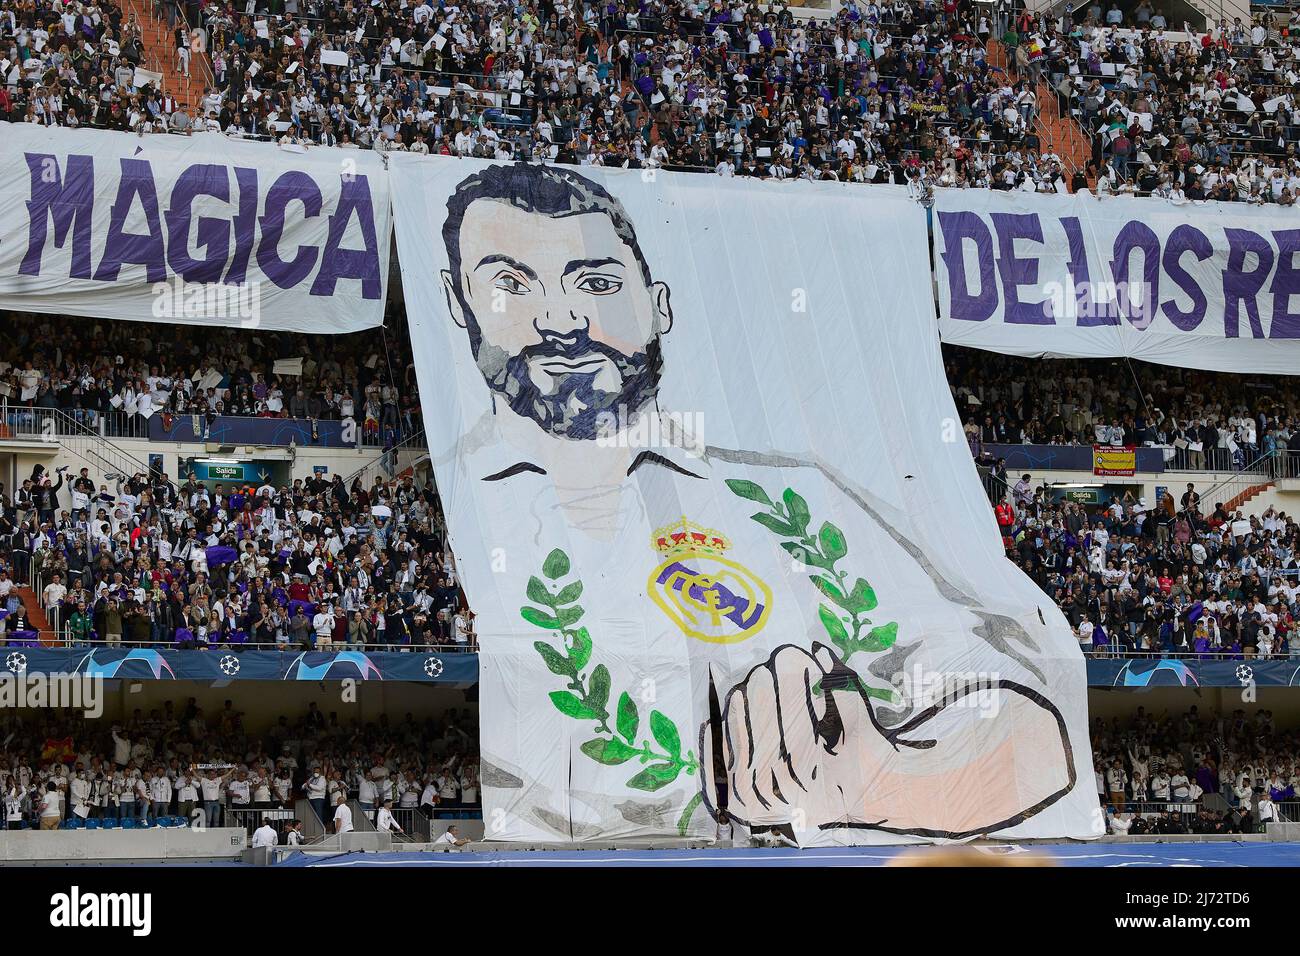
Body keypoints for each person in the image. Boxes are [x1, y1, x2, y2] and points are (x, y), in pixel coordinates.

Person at [428, 162, 1081, 842]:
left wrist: (886, 781)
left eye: (596, 283)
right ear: (457, 302)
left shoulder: (790, 504)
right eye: (511, 282)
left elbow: (1033, 729)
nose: (563, 320)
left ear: (659, 304)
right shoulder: (459, 508)